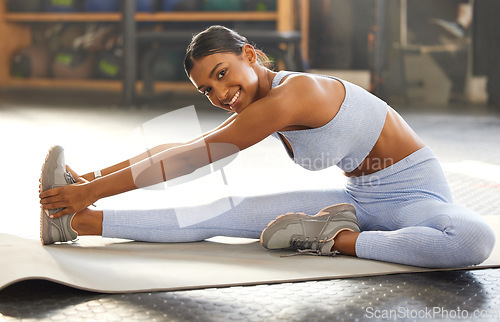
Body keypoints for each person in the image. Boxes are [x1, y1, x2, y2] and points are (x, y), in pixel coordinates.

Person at [39, 25, 495, 269]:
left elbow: (192, 158)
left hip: (415, 198)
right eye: (206, 91)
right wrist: (91, 185)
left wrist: (93, 186)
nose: (219, 94)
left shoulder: (293, 94)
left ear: (250, 54)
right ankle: (79, 222)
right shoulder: (259, 102)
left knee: (472, 239)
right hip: (356, 200)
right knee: (220, 211)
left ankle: (334, 241)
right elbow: (185, 146)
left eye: (221, 73)